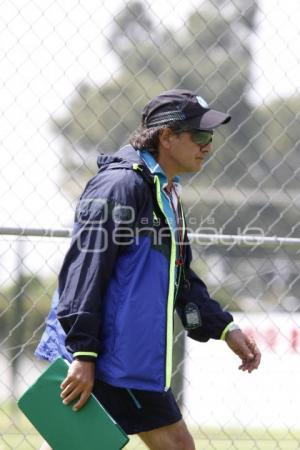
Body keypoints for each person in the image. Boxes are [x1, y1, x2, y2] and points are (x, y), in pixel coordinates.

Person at [36, 89, 261, 450]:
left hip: (128, 360)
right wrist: (83, 354)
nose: (208, 145)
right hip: (103, 358)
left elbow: (182, 277)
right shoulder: (120, 184)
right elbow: (85, 270)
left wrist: (224, 328)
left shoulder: (166, 191)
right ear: (167, 137)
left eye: (211, 137)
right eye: (200, 135)